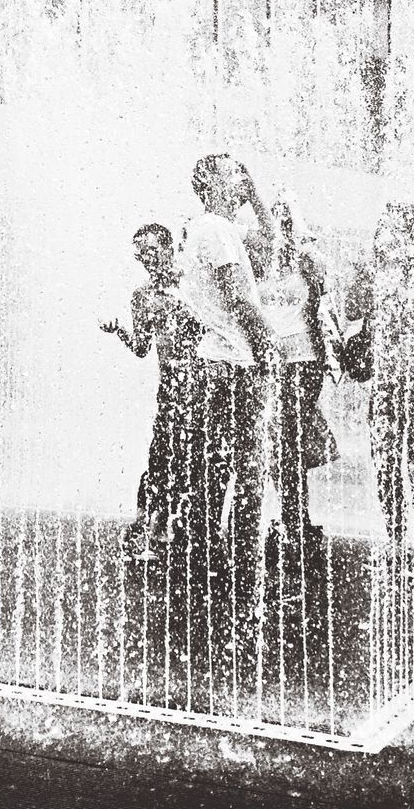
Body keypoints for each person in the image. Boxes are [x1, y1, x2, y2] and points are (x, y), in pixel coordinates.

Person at [178, 153, 277, 679]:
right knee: (249, 472)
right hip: (237, 363)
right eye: (233, 172)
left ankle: (225, 564)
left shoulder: (219, 227)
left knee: (229, 468)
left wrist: (255, 194)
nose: (241, 177)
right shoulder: (215, 228)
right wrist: (268, 352)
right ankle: (245, 582)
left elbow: (273, 250)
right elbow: (241, 298)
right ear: (211, 182)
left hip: (222, 361)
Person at [346, 203, 414, 572]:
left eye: (397, 230)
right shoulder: (375, 271)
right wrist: (362, 280)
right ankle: (394, 540)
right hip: (388, 379)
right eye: (385, 229)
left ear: (413, 237)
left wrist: (400, 291)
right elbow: (351, 311)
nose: (390, 238)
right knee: (385, 460)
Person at [101, 222, 202, 558]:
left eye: (151, 250)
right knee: (160, 458)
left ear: (169, 248)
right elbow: (143, 348)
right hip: (170, 388)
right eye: (139, 252)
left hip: (204, 384)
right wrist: (120, 332)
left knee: (200, 460)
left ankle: (196, 532)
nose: (145, 258)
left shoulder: (193, 286)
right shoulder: (142, 296)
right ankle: (149, 525)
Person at [260, 199, 338, 560]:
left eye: (284, 222)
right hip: (266, 363)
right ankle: (293, 519)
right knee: (278, 444)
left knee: (286, 442)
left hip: (302, 362)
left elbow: (328, 307)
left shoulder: (308, 261)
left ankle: (295, 522)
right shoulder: (256, 262)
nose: (278, 229)